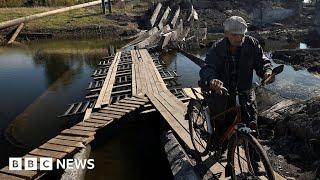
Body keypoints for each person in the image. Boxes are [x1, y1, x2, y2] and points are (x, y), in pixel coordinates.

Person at [199, 16, 274, 139]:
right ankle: (220, 149)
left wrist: (267, 72)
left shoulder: (252, 44)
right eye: (234, 35)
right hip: (223, 93)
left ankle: (254, 155)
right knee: (222, 127)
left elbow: (262, 61)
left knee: (252, 128)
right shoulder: (217, 48)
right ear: (226, 34)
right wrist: (212, 80)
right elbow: (208, 67)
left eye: (242, 35)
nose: (239, 38)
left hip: (245, 93)